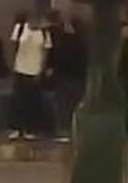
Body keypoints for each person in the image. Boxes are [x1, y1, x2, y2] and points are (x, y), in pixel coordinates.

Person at [43, 10, 87, 139]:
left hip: (65, 78)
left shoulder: (63, 40)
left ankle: (64, 130)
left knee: (63, 105)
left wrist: (51, 68)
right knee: (71, 105)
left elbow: (57, 57)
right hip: (75, 78)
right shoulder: (81, 41)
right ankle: (72, 131)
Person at [9, 12, 53, 139]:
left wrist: (41, 70)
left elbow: (46, 53)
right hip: (20, 69)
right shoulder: (20, 29)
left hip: (34, 71)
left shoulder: (44, 34)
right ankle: (16, 128)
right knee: (18, 100)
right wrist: (14, 65)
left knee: (31, 101)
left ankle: (29, 129)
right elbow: (14, 47)